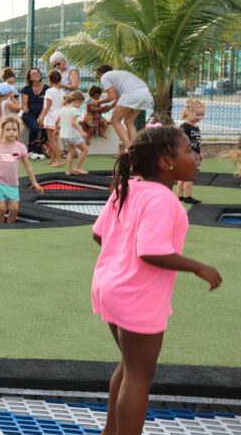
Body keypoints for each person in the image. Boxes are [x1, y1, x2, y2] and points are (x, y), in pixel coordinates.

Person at [91, 126, 222, 435]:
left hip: (110, 286)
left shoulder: (128, 187)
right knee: (139, 376)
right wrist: (198, 267)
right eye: (189, 150)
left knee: (129, 366)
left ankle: (110, 432)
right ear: (165, 162)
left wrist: (122, 255)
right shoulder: (163, 199)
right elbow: (152, 251)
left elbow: (99, 233)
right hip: (137, 295)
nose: (197, 156)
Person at [0, 115, 44, 224]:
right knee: (2, 209)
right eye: (8, 129)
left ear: (18, 131)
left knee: (14, 209)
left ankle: (9, 227)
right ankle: (0, 226)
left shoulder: (20, 147)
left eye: (14, 130)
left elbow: (27, 166)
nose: (11, 132)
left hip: (12, 183)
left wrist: (34, 182)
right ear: (2, 130)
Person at [95, 64, 153, 149]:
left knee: (115, 121)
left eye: (98, 75)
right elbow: (118, 97)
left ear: (100, 73)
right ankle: (135, 149)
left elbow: (112, 96)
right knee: (129, 121)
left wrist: (97, 102)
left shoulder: (104, 77)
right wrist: (110, 107)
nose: (99, 77)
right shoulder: (119, 75)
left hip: (133, 93)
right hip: (146, 94)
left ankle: (128, 149)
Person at [176, 99, 206, 204]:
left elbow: (197, 142)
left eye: (202, 115)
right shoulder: (184, 127)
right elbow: (179, 142)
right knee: (189, 177)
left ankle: (179, 196)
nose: (200, 118)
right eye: (197, 115)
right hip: (188, 157)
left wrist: (200, 152)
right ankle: (187, 196)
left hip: (194, 156)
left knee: (183, 177)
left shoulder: (196, 127)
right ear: (189, 112)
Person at [58, 91, 90, 176]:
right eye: (81, 103)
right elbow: (74, 123)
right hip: (72, 135)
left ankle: (68, 171)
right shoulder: (74, 110)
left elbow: (57, 121)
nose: (80, 106)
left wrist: (56, 130)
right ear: (77, 100)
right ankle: (78, 167)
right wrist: (82, 131)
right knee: (85, 149)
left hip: (64, 135)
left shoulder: (63, 108)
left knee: (71, 151)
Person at [39, 69, 65, 167]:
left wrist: (41, 117)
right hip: (59, 117)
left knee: (52, 141)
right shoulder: (62, 92)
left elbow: (47, 106)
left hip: (51, 118)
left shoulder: (49, 91)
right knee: (55, 140)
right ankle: (53, 159)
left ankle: (59, 160)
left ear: (49, 79)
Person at [20, 67, 48, 155]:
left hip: (43, 113)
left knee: (45, 126)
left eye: (37, 72)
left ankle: (45, 148)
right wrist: (25, 108)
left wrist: (42, 116)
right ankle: (31, 149)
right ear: (30, 78)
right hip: (29, 114)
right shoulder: (26, 89)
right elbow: (24, 106)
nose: (36, 74)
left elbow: (47, 105)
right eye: (33, 73)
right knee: (35, 126)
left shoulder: (47, 88)